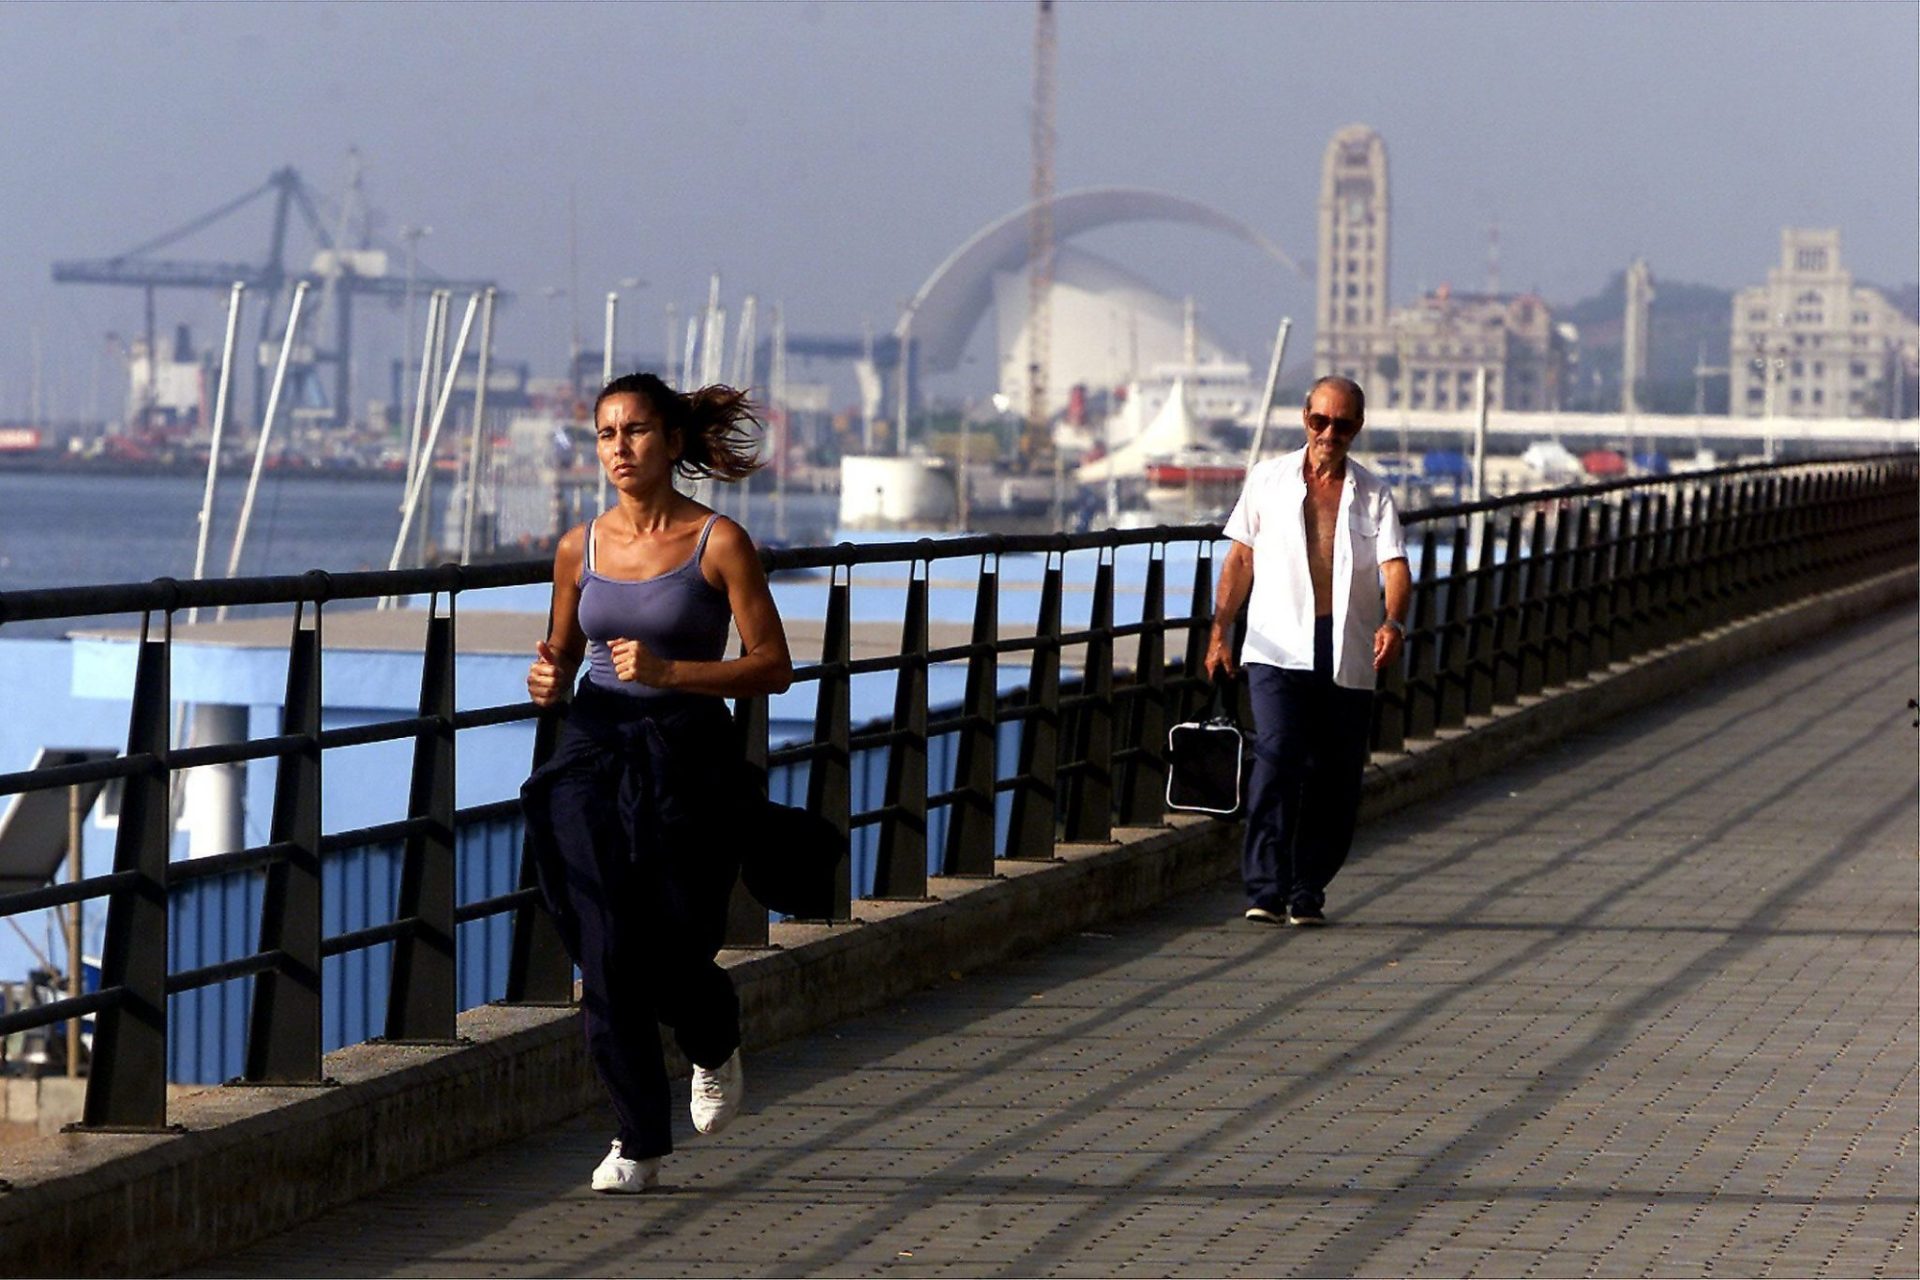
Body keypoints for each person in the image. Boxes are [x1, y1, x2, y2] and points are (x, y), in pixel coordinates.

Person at [521, 371, 793, 1194]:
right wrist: (548, 677)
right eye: (606, 434)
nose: (619, 449)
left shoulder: (720, 542)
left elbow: (774, 667)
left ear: (672, 442)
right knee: (604, 944)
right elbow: (562, 651)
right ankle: (637, 1139)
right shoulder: (582, 547)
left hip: (685, 752)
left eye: (635, 431)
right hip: (594, 747)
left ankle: (712, 1039)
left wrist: (676, 671)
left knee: (674, 942)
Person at [1204, 375, 1410, 927]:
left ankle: (1306, 890)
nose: (1329, 433)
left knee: (1337, 776)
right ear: (1305, 418)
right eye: (1320, 421)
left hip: (1346, 644)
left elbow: (1395, 566)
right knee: (1275, 757)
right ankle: (1265, 889)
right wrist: (1220, 629)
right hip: (1275, 643)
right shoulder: (1267, 481)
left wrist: (1393, 620)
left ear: (1357, 429)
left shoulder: (1373, 493)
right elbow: (1239, 560)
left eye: (1342, 425)